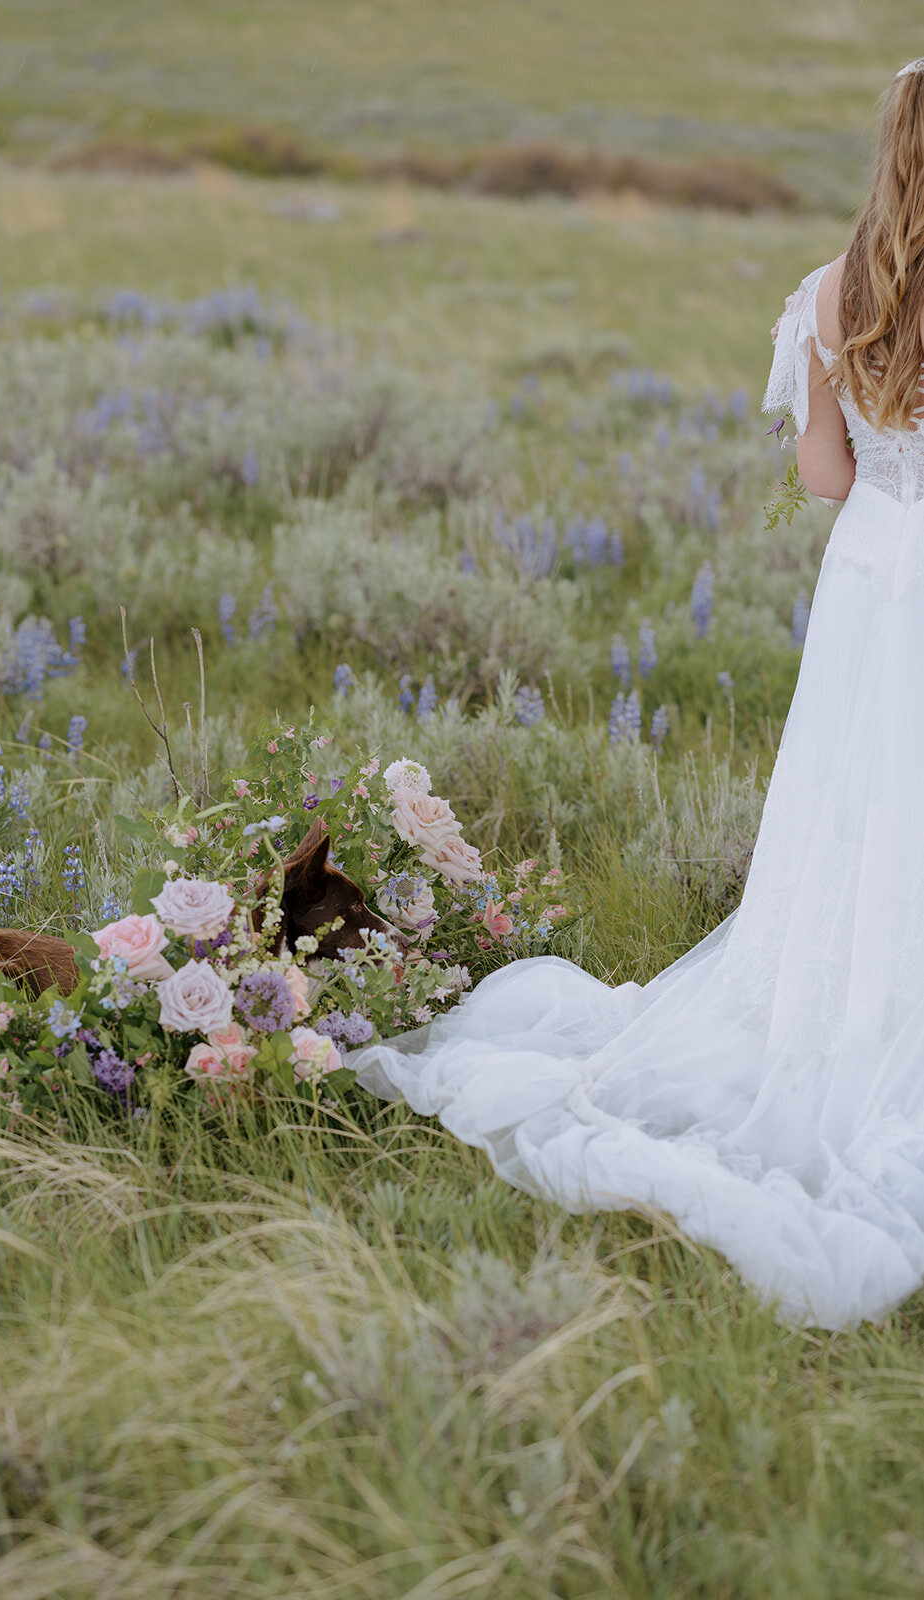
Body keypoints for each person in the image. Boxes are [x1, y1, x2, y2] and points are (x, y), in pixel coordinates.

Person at [350, 60, 924, 1333]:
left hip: (877, 577)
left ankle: (837, 1013)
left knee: (858, 811)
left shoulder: (838, 294)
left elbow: (826, 478)